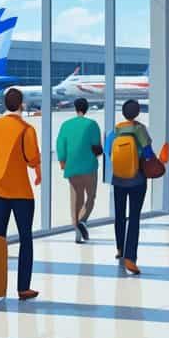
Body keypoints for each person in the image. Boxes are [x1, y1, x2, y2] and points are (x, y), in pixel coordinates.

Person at [0, 87, 42, 300]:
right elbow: (32, 159)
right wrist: (37, 169)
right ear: (21, 104)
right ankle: (23, 288)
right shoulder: (26, 129)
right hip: (20, 191)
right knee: (25, 238)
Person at [104, 99, 153, 275]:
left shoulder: (115, 130)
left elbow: (108, 151)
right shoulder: (140, 129)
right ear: (137, 113)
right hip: (137, 179)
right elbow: (148, 153)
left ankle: (119, 248)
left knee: (119, 214)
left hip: (118, 178)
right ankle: (130, 257)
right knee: (134, 217)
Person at [55, 97, 102, 243]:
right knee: (91, 196)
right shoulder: (92, 124)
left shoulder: (66, 125)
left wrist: (63, 161)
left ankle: (76, 229)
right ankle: (82, 221)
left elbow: (60, 145)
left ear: (75, 108)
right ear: (87, 108)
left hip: (72, 166)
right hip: (89, 166)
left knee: (76, 198)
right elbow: (96, 147)